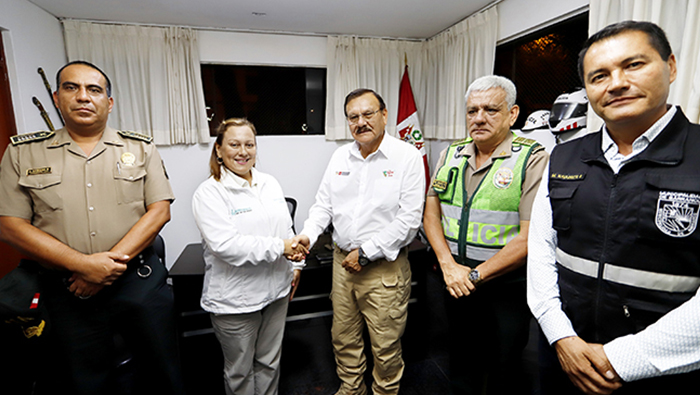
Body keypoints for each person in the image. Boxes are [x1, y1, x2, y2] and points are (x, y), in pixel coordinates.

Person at [528, 20, 700, 395]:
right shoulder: (565, 156)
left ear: (670, 66)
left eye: (633, 65)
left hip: (663, 371)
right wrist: (560, 337)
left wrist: (623, 358)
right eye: (599, 75)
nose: (617, 83)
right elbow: (541, 252)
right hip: (563, 355)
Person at [0, 60, 184, 394]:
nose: (84, 97)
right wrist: (83, 266)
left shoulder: (140, 147)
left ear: (109, 103)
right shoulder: (23, 153)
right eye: (72, 88)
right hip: (68, 289)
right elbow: (11, 226)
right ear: (57, 98)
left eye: (94, 89)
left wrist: (105, 267)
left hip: (137, 283)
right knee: (82, 383)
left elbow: (159, 211)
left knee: (164, 374)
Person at [291, 88, 425, 395]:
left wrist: (365, 253)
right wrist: (307, 236)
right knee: (344, 336)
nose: (361, 122)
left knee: (385, 343)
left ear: (384, 115)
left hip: (383, 269)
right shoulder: (341, 156)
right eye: (353, 117)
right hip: (341, 265)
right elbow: (323, 205)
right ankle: (351, 389)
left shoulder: (407, 157)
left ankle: (384, 392)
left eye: (368, 114)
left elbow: (408, 221)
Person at [423, 75, 548, 395]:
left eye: (491, 110)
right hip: (455, 283)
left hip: (505, 287)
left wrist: (473, 276)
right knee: (462, 361)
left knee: (503, 368)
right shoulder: (451, 154)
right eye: (472, 110)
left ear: (513, 113)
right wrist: (449, 267)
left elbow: (529, 236)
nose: (479, 118)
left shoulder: (531, 157)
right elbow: (431, 211)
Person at [191, 118, 306, 395]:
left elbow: (286, 229)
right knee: (240, 372)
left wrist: (297, 266)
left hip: (277, 292)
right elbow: (227, 245)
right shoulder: (209, 193)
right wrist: (282, 247)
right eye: (234, 144)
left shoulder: (269, 183)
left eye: (249, 144)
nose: (243, 152)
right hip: (236, 302)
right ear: (219, 150)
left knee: (269, 363)